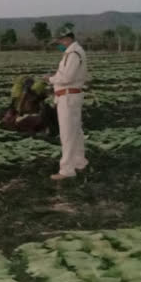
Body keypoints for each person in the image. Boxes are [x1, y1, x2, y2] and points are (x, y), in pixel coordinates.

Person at [44, 22, 89, 180]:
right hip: (70, 96)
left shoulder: (73, 54)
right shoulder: (74, 52)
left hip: (68, 97)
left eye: (60, 42)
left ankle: (67, 170)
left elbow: (67, 77)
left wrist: (50, 79)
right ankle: (80, 162)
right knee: (75, 131)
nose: (59, 45)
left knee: (67, 134)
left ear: (67, 39)